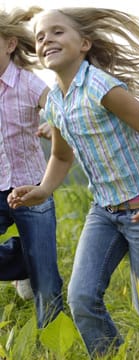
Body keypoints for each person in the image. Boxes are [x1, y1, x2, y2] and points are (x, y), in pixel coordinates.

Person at [8, 7, 139, 357]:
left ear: (84, 43)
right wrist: (42, 190)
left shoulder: (102, 86)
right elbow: (61, 156)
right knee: (81, 298)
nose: (46, 40)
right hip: (104, 210)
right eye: (41, 36)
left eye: (57, 32)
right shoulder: (55, 102)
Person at [0, 6, 63, 328]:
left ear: (10, 44)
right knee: (36, 259)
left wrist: (52, 127)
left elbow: (57, 113)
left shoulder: (30, 84)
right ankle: (23, 259)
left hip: (32, 187)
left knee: (46, 277)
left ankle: (54, 340)